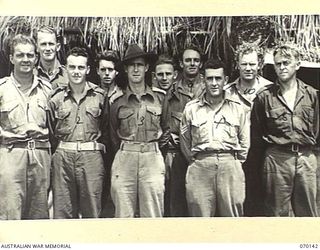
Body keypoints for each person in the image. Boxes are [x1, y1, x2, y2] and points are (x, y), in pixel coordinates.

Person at [251, 43, 319, 216]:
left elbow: (316, 129)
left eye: (286, 63)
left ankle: (308, 243)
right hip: (277, 160)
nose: (282, 67)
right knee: (276, 212)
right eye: (278, 64)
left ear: (297, 64)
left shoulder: (311, 94)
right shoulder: (264, 97)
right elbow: (257, 134)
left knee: (308, 212)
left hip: (306, 159)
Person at [180, 58, 249, 217]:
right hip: (200, 166)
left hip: (230, 166)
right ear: (203, 80)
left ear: (225, 80)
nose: (214, 83)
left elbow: (245, 142)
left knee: (232, 218)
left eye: (218, 78)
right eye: (210, 78)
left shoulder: (237, 108)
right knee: (200, 219)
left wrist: (234, 163)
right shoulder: (191, 109)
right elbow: (185, 141)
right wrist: (196, 161)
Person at [48, 47, 108, 219]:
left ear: (88, 70)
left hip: (91, 158)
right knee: (63, 210)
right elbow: (51, 131)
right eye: (72, 67)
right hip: (63, 158)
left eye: (80, 67)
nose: (76, 72)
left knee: (92, 210)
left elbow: (105, 128)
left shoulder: (100, 96)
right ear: (65, 68)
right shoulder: (56, 98)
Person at [109, 44, 166, 217]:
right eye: (131, 65)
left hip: (152, 159)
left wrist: (152, 151)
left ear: (147, 67)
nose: (135, 69)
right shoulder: (116, 101)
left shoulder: (160, 98)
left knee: (152, 213)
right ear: (125, 69)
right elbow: (112, 135)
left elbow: (166, 130)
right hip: (125, 158)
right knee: (123, 213)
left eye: (139, 65)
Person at [0, 34, 52, 219]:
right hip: (10, 156)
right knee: (10, 212)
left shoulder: (47, 90)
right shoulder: (2, 89)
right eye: (20, 55)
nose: (26, 59)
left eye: (30, 55)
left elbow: (54, 128)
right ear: (12, 58)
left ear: (36, 58)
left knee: (39, 214)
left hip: (40, 156)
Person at [224, 43, 273, 216]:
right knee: (236, 199)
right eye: (244, 64)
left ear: (259, 64)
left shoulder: (271, 90)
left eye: (252, 64)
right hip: (236, 154)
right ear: (237, 64)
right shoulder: (226, 92)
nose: (248, 68)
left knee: (263, 199)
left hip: (264, 153)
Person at [162, 45, 205, 216]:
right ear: (181, 63)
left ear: (200, 64)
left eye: (196, 60)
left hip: (202, 155)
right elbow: (165, 123)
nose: (192, 64)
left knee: (201, 203)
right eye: (188, 60)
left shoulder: (209, 87)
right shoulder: (172, 91)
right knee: (177, 203)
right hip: (178, 156)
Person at [95, 50, 121, 218]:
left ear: (116, 72)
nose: (106, 73)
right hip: (97, 153)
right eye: (103, 69)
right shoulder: (92, 94)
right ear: (97, 71)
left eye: (110, 70)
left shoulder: (123, 96)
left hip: (118, 152)